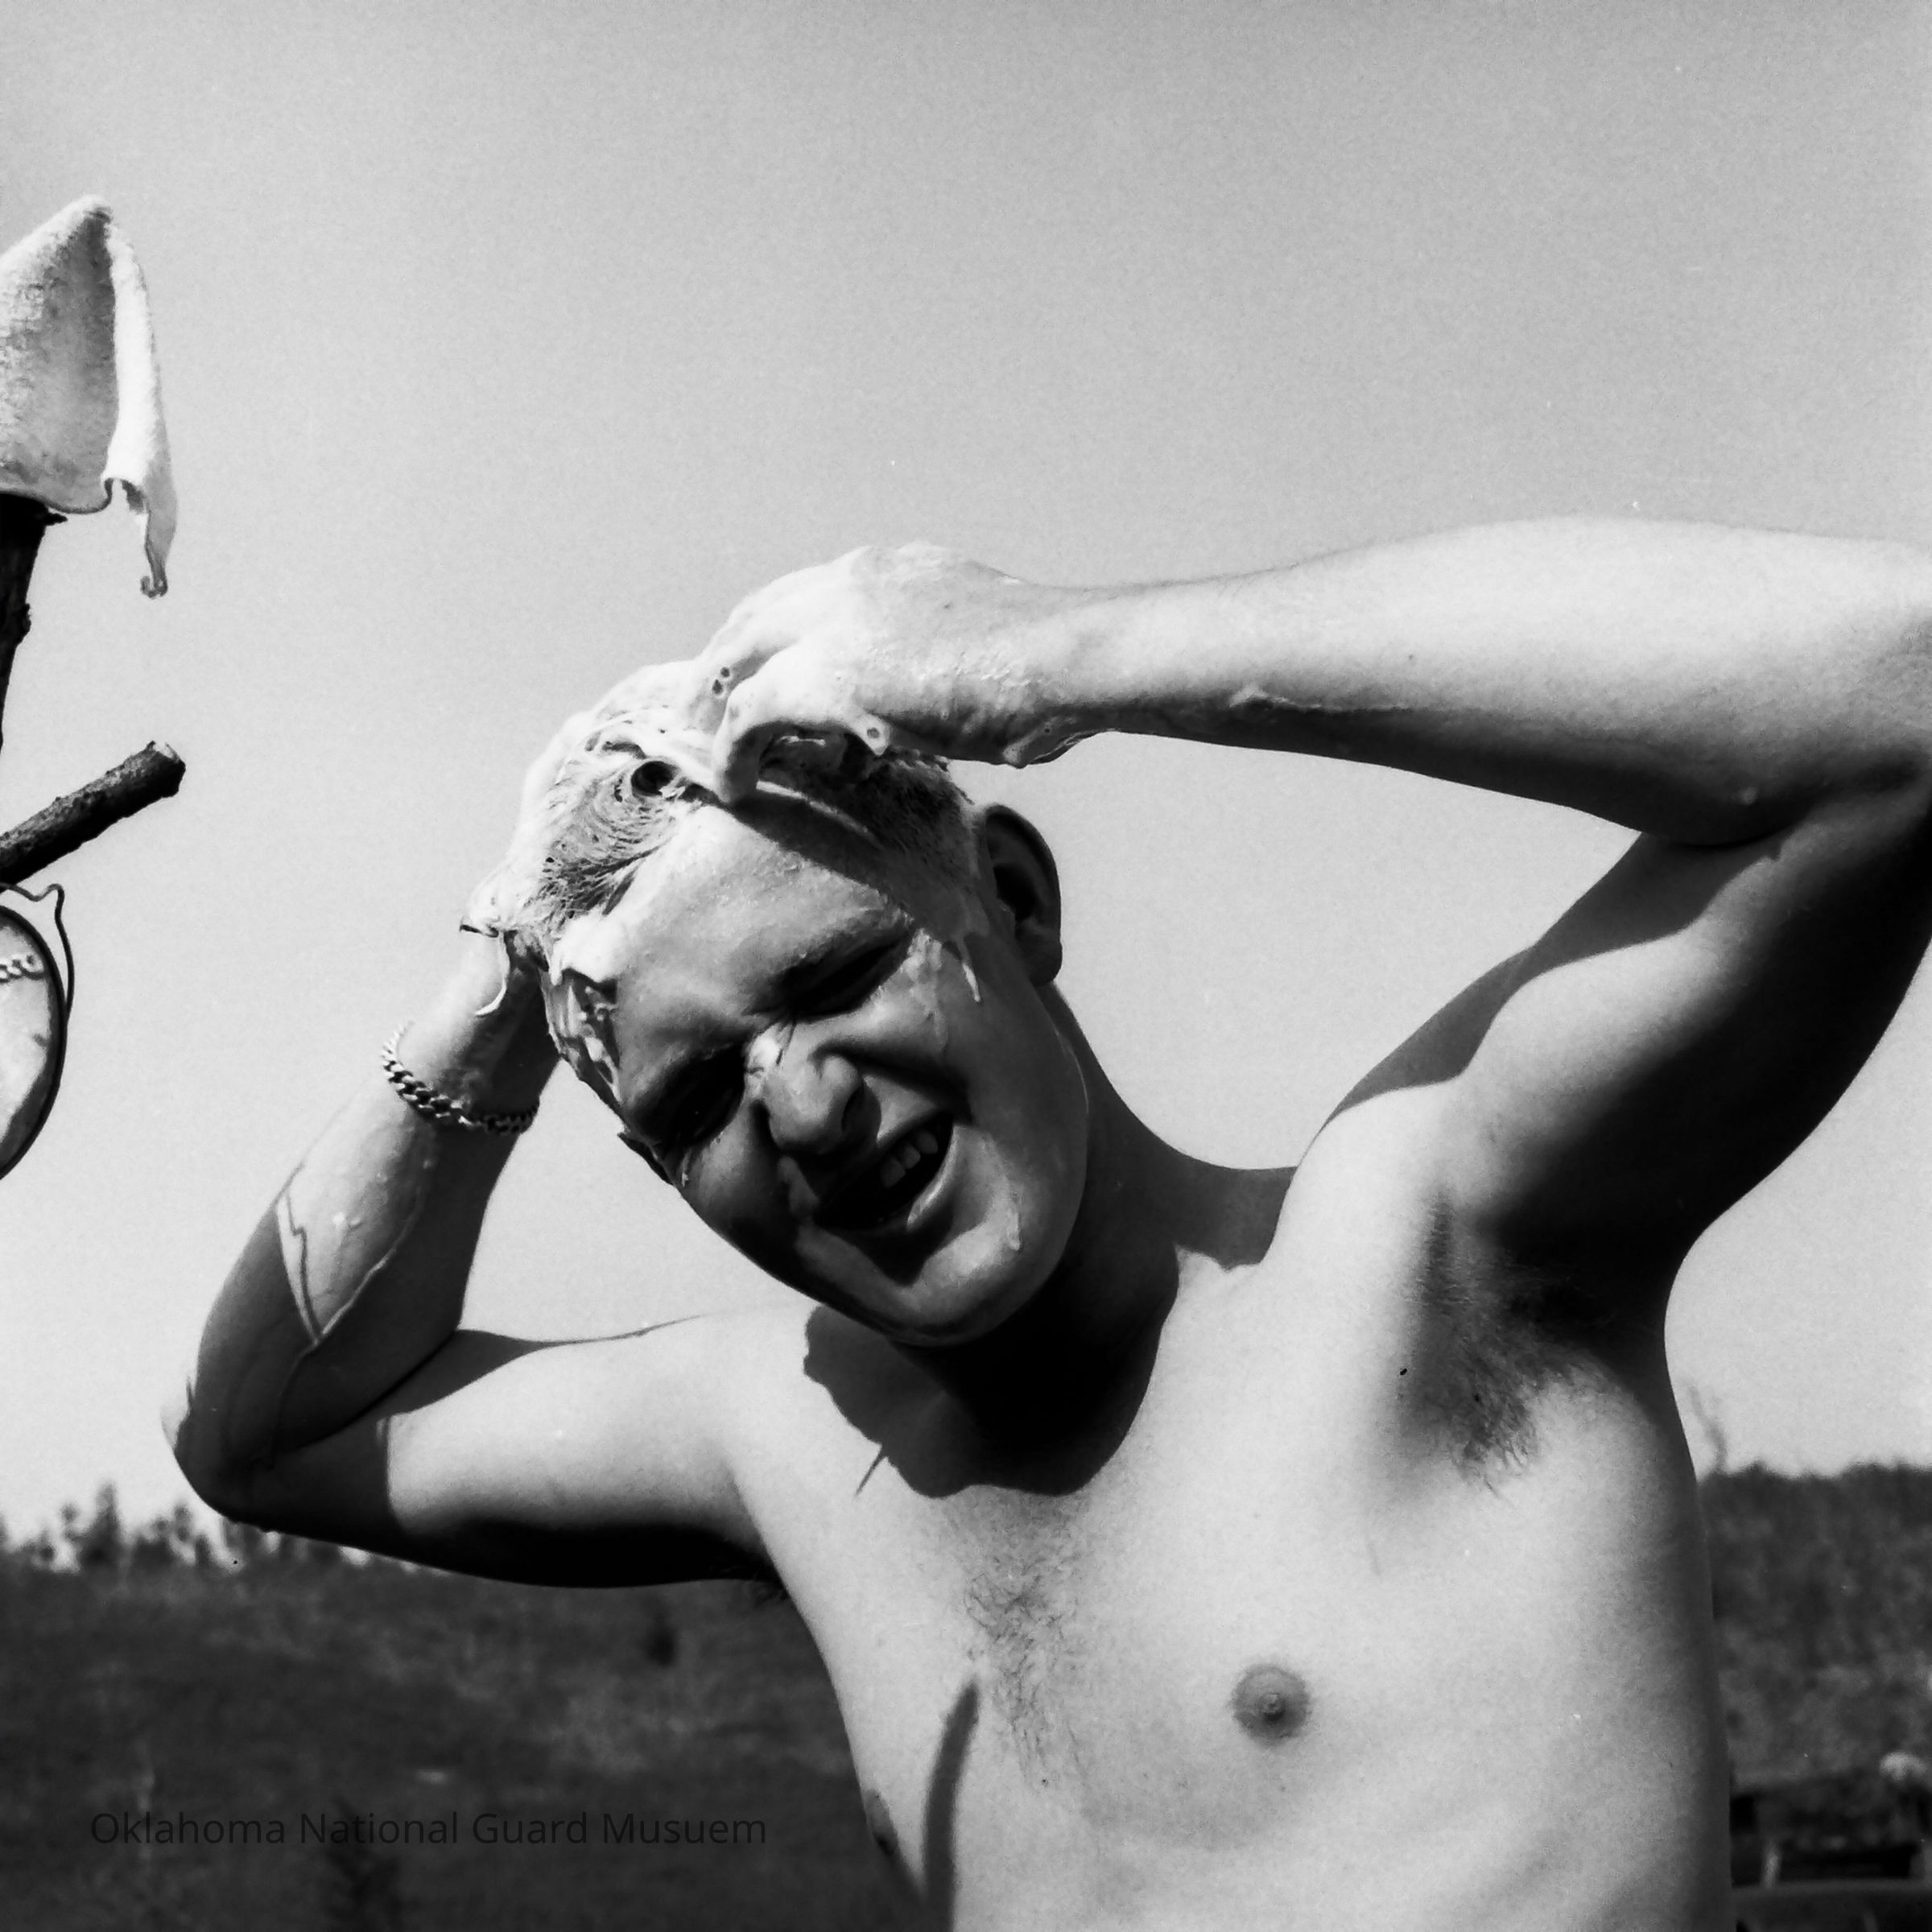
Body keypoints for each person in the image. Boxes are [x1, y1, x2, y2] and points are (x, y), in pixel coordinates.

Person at [170, 521, 1932, 1930]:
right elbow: (265, 1431)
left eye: (836, 976)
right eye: (697, 1099)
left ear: (1011, 902)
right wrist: (510, 960)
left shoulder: (1432, 1258)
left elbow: (1897, 696)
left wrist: (1057, 654)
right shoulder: (797, 1439)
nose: (804, 1108)